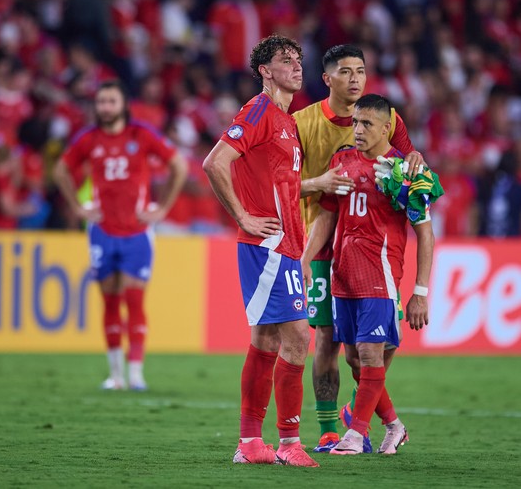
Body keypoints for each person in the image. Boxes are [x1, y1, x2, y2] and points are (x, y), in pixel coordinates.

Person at [202, 34, 352, 467]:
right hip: (267, 244)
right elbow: (215, 162)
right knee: (299, 337)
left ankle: (251, 444)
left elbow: (281, 186)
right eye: (286, 60)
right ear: (265, 71)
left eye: (298, 59)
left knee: (266, 339)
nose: (297, 66)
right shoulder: (259, 110)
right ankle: (289, 442)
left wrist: (314, 189)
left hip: (285, 246)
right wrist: (243, 217)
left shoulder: (286, 122)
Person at [292, 44, 425, 452]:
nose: (355, 79)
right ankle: (331, 429)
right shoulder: (302, 122)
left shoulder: (388, 118)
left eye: (361, 71)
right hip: (321, 241)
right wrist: (317, 185)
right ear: (327, 78)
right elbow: (281, 181)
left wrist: (416, 159)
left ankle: (361, 419)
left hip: (375, 252)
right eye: (346, 71)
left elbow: (407, 161)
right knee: (328, 340)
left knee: (373, 349)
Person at [53, 80, 187, 391]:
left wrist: (162, 208)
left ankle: (136, 373)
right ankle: (115, 375)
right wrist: (77, 207)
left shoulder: (141, 135)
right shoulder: (89, 138)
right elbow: (61, 170)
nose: (105, 107)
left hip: (137, 232)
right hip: (102, 230)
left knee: (134, 300)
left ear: (123, 105)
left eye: (111, 101)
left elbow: (178, 166)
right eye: (101, 102)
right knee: (110, 301)